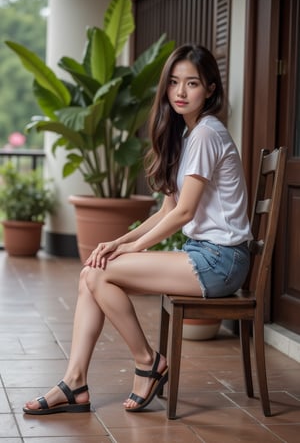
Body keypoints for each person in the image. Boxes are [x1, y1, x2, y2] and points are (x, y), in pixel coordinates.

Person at [23, 44, 252, 415]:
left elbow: (184, 213)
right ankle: (75, 382)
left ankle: (147, 362)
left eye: (192, 83)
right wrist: (119, 241)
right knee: (92, 274)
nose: (180, 92)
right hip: (205, 255)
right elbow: (169, 209)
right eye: (174, 82)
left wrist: (132, 251)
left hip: (221, 260)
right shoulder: (189, 135)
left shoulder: (208, 133)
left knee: (97, 273)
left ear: (210, 89)